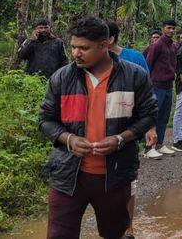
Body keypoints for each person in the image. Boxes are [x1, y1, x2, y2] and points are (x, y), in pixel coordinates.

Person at [38, 17, 157, 239]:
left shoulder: (134, 76)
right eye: (73, 47)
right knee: (59, 234)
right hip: (67, 176)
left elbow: (149, 115)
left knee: (115, 233)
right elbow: (45, 119)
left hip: (114, 177)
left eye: (84, 48)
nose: (76, 53)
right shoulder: (61, 78)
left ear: (104, 46)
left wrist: (120, 139)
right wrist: (69, 139)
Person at [105, 20, 158, 238]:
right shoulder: (87, 63)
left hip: (128, 130)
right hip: (99, 133)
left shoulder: (135, 58)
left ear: (109, 39)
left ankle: (128, 227)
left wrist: (150, 127)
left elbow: (147, 95)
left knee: (128, 183)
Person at [144, 20, 178, 156]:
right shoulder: (157, 45)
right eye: (169, 28)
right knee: (153, 117)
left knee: (164, 116)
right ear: (163, 28)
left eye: (173, 28)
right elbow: (148, 64)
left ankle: (160, 144)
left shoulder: (172, 46)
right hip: (156, 85)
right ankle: (148, 148)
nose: (171, 31)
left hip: (168, 85)